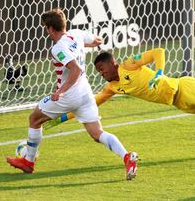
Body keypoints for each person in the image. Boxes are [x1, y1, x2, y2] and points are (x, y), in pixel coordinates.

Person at [44, 48, 195, 145]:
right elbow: (90, 104)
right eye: (98, 72)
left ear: (112, 63)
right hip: (179, 102)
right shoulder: (112, 88)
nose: (101, 74)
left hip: (185, 89)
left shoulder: (130, 64)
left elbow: (159, 52)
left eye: (102, 69)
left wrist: (158, 72)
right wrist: (63, 118)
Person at [7, 9, 138, 181]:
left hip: (69, 96)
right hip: (85, 93)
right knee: (97, 133)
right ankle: (127, 157)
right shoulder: (76, 34)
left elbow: (76, 69)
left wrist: (59, 92)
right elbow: (98, 40)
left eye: (46, 28)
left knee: (34, 119)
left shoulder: (58, 48)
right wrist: (82, 45)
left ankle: (29, 161)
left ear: (49, 28)